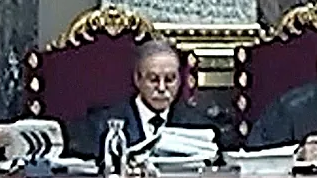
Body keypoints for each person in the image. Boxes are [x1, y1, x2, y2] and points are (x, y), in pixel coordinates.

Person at [67, 39, 217, 158]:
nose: (162, 88)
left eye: (170, 80)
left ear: (179, 80)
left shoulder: (199, 125)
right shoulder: (102, 125)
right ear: (138, 80)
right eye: (153, 79)